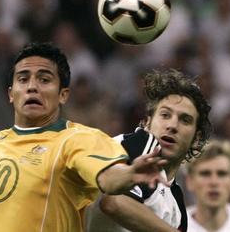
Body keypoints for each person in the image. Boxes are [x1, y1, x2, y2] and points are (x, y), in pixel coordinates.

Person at [0, 42, 167, 232]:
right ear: (11, 94)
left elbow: (107, 177)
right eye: (23, 79)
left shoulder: (76, 139)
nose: (32, 87)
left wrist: (129, 174)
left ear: (63, 95)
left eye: (44, 79)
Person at [86, 69, 212, 232]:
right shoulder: (138, 144)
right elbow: (113, 202)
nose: (172, 126)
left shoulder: (177, 204)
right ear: (147, 123)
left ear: (196, 139)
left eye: (185, 120)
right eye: (165, 115)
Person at [186, 139, 230, 232]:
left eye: (222, 174)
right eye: (205, 174)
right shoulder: (171, 226)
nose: (214, 182)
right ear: (189, 181)